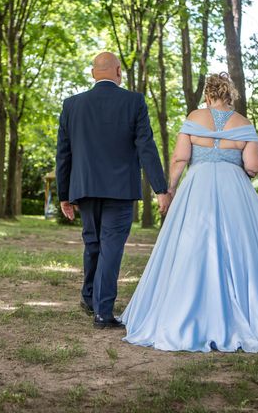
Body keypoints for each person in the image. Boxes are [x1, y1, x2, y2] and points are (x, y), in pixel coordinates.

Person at [121, 72, 258, 352]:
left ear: (208, 95)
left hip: (197, 186)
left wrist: (169, 189)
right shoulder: (243, 123)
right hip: (234, 190)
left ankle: (182, 315)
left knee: (190, 247)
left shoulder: (194, 118)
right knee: (244, 249)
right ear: (231, 96)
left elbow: (180, 157)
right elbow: (252, 166)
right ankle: (249, 313)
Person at [55, 52, 171, 329]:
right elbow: (146, 146)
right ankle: (102, 312)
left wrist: (64, 194)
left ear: (93, 73)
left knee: (93, 243)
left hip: (84, 187)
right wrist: (160, 188)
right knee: (111, 249)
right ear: (119, 72)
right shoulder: (134, 102)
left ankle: (89, 298)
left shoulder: (72, 105)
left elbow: (63, 154)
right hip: (120, 189)